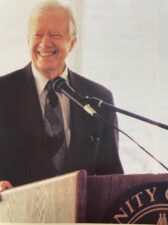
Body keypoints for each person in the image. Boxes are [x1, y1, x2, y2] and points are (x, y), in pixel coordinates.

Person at [0, 1, 123, 191]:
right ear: (28, 40)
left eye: (55, 35)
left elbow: (112, 175)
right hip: (18, 214)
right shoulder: (3, 92)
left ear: (72, 42)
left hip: (81, 216)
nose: (45, 43)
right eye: (38, 34)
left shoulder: (99, 97)